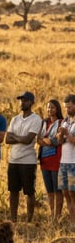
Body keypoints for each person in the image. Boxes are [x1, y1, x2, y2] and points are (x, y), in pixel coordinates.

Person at [5, 92, 43, 223]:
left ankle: (29, 220)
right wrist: (19, 138)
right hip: (13, 159)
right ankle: (13, 219)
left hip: (28, 160)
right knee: (13, 191)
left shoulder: (36, 119)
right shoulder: (15, 119)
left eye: (25, 100)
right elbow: (7, 139)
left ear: (32, 102)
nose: (22, 102)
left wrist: (15, 137)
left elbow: (28, 140)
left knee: (29, 192)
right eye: (21, 100)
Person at [37, 99, 63, 223]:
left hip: (56, 161)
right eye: (48, 108)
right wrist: (48, 140)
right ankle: (52, 214)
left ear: (57, 109)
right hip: (44, 161)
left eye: (52, 107)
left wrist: (45, 140)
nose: (49, 110)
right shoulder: (44, 123)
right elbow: (38, 140)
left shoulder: (61, 123)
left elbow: (56, 141)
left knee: (58, 191)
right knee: (49, 191)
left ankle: (57, 217)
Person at [56, 94, 75, 225]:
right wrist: (61, 135)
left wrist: (67, 133)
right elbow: (59, 142)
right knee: (65, 192)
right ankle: (71, 219)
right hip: (63, 161)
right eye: (65, 107)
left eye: (69, 107)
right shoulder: (65, 121)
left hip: (74, 162)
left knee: (73, 193)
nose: (67, 110)